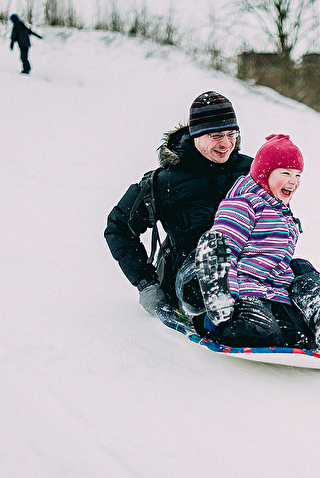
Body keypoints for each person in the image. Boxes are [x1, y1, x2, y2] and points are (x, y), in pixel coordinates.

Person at [193, 134, 320, 351]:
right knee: (260, 333)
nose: (293, 181)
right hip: (243, 291)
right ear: (264, 174)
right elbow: (226, 248)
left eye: (297, 175)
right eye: (285, 173)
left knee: (305, 336)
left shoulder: (283, 214)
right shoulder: (244, 204)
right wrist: (229, 295)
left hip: (276, 292)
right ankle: (216, 310)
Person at [105, 91, 253, 321]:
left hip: (250, 268)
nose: (226, 143)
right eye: (216, 135)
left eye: (231, 134)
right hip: (192, 276)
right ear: (196, 135)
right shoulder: (165, 182)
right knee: (214, 272)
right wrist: (146, 283)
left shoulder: (252, 171)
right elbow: (118, 226)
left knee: (298, 271)